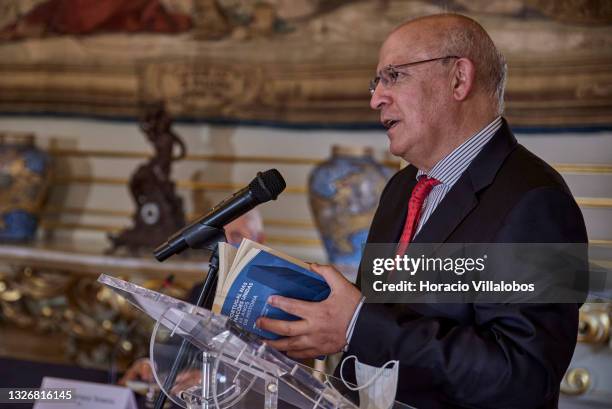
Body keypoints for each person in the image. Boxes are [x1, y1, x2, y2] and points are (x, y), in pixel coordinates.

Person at [256, 14, 588, 408]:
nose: (376, 97)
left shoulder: (536, 200)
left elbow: (521, 377)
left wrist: (357, 325)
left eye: (394, 76)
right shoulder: (402, 188)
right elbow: (378, 326)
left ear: (459, 79)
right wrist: (319, 331)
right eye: (376, 81)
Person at [118, 209, 265, 386]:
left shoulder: (275, 296)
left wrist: (213, 378)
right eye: (220, 236)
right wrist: (151, 365)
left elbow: (271, 364)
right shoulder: (202, 290)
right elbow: (179, 344)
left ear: (259, 240)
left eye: (235, 235)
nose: (225, 244)